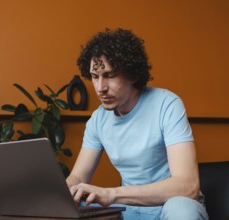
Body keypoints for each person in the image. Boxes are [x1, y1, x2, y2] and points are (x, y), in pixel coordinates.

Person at [66, 28, 208, 220]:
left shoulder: (167, 104)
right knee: (74, 207)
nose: (100, 88)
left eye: (109, 75)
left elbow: (188, 186)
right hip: (128, 210)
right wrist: (64, 190)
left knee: (181, 209)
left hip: (172, 204)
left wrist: (112, 194)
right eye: (95, 76)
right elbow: (78, 178)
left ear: (132, 74)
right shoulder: (97, 120)